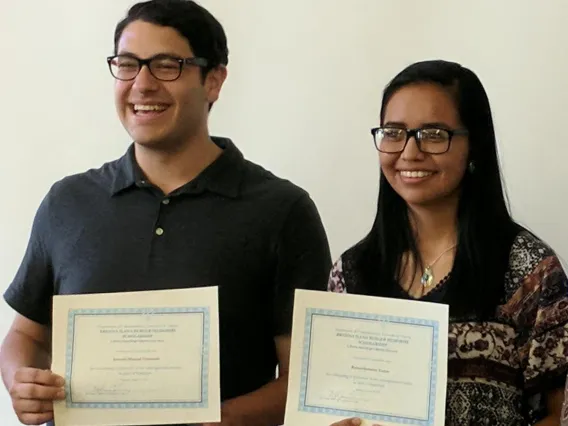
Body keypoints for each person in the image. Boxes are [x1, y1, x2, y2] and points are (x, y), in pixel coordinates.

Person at [0, 1, 332, 425]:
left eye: (166, 65)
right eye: (127, 64)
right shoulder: (67, 202)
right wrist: (19, 382)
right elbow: (25, 335)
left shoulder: (283, 210)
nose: (142, 84)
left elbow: (308, 380)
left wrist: (225, 418)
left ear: (214, 80)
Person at [326, 60, 568, 426]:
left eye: (434, 134)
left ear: (473, 146)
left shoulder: (529, 272)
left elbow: (559, 412)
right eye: (394, 132)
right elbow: (328, 401)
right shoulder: (351, 272)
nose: (409, 152)